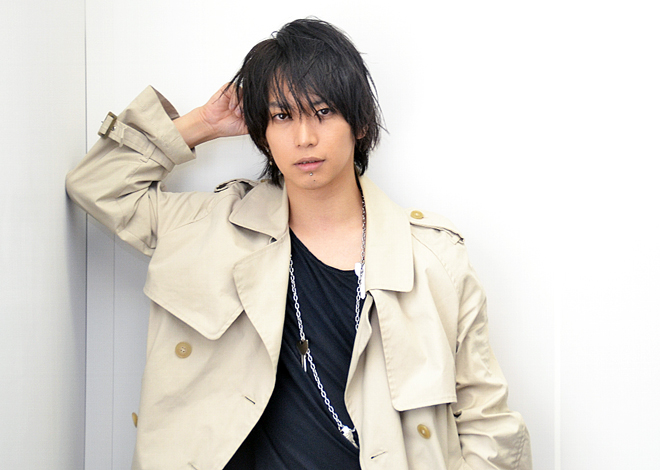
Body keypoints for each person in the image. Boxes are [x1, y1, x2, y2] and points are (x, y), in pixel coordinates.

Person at [66, 18, 532, 470]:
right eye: (282, 116)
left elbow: (487, 422)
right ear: (263, 133)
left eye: (323, 112)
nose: (304, 138)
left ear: (360, 123)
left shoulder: (433, 260)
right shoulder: (208, 228)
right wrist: (204, 123)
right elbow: (98, 186)